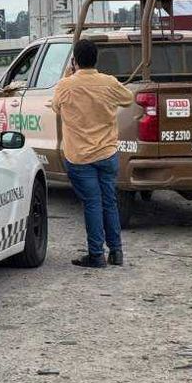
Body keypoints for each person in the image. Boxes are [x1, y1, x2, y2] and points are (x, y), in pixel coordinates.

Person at [52, 39, 133, 268]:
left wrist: (69, 75)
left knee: (92, 203)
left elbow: (56, 106)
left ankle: (96, 254)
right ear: (96, 59)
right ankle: (116, 252)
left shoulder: (66, 85)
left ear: (75, 60)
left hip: (79, 157)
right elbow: (128, 99)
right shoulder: (108, 82)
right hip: (107, 153)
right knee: (109, 201)